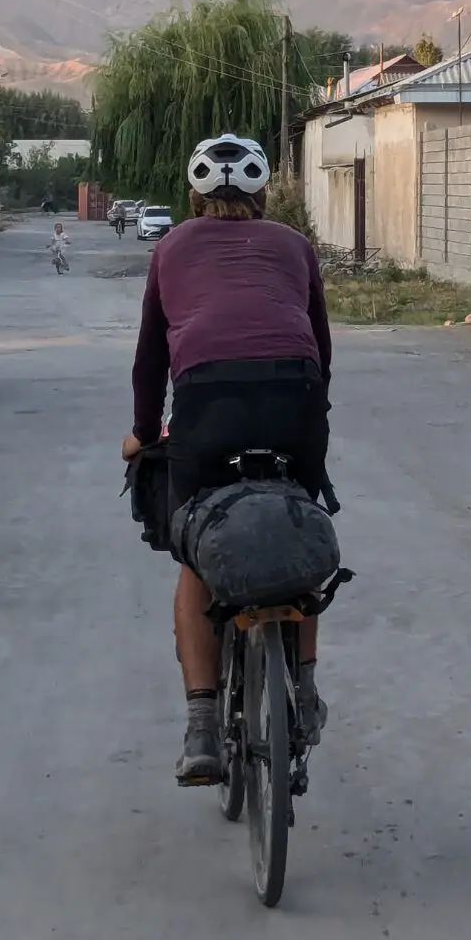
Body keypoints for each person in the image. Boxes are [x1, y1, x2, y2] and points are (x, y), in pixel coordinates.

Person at [122, 134, 333, 784]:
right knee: (293, 538)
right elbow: (320, 350)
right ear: (263, 194)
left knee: (195, 557)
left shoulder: (172, 246)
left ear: (193, 195)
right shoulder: (293, 246)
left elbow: (150, 358)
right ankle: (301, 693)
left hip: (206, 404)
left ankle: (203, 727)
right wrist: (308, 422)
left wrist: (141, 432)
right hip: (293, 398)